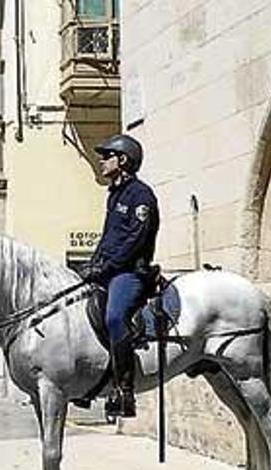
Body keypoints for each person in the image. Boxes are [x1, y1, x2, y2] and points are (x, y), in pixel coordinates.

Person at [76, 134, 160, 418]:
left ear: (122, 160)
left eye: (107, 155)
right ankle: (92, 382)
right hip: (110, 270)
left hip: (130, 273)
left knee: (114, 317)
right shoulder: (114, 194)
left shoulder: (140, 195)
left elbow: (134, 241)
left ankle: (124, 390)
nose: (101, 159)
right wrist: (91, 264)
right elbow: (109, 238)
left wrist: (105, 267)